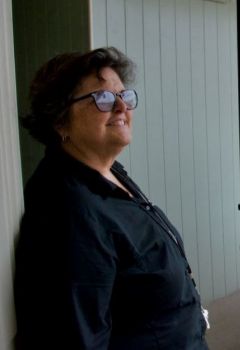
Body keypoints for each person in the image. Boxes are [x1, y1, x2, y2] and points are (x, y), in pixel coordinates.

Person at [14, 47, 208, 349]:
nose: (121, 106)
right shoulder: (67, 209)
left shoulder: (109, 170)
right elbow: (79, 339)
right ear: (59, 120)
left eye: (124, 95)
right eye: (102, 98)